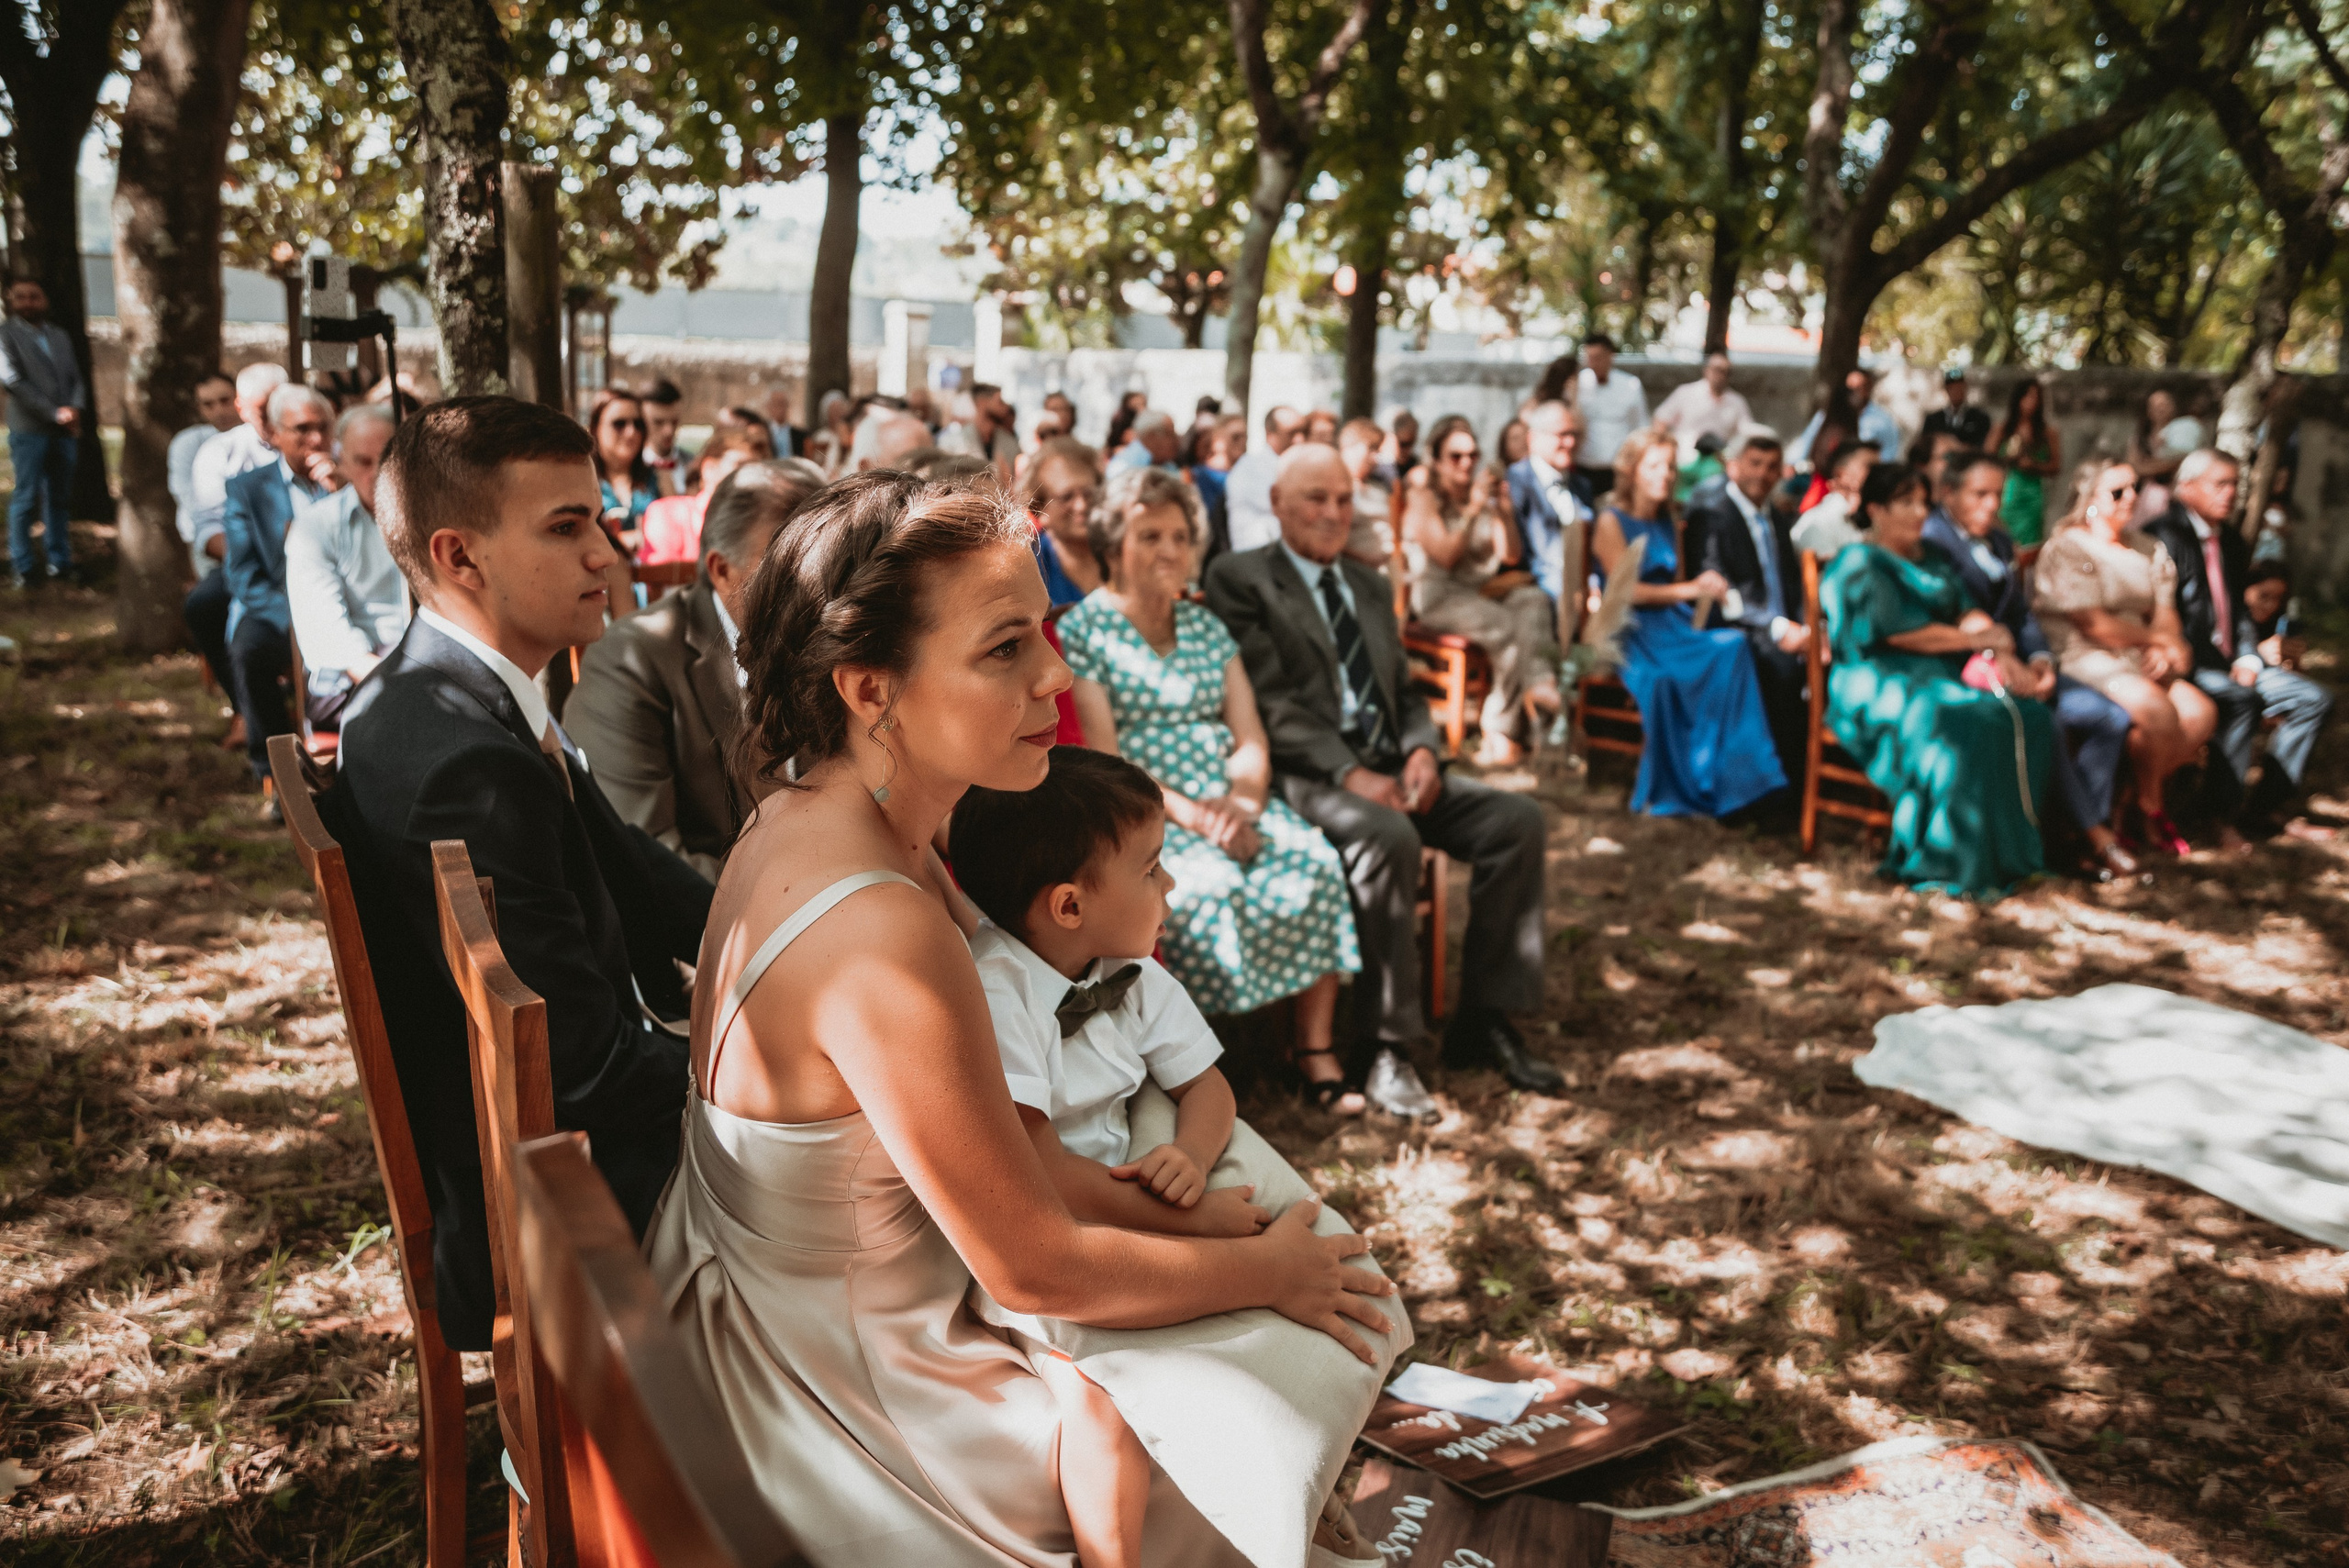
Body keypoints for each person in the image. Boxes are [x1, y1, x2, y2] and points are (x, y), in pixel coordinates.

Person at [651, 470, 1399, 1567]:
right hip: (840, 1386)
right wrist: (1269, 1271)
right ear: (869, 688)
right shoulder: (881, 926)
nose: (1056, 673)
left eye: (1044, 630)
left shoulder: (814, 811)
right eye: (1005, 648)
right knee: (1209, 1425)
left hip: (760, 1296)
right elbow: (1034, 1268)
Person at [951, 744, 1405, 1568]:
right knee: (1098, 1398)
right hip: (1048, 1237)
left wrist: (1191, 1158)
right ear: (1069, 904)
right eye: (1153, 868)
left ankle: (1294, 1496)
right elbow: (1039, 1172)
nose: (1172, 885)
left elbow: (1208, 1088)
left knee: (1278, 1325)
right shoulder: (997, 992)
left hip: (1141, 1203)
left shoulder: (1131, 973)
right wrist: (1190, 1221)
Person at [328, 395, 713, 1355]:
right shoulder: (466, 764)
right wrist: (780, 1070)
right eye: (566, 527)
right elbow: (581, 1069)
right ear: (460, 556)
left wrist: (795, 935)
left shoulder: (457, 697)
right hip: (557, 1195)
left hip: (568, 1144)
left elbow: (638, 876)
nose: (605, 555)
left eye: (600, 522)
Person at [1206, 443, 1560, 1111]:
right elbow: (1268, 701)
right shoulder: (1240, 577)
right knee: (1389, 836)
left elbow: (1402, 691)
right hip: (1306, 775)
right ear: (1277, 503)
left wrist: (1424, 751)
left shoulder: (1367, 583)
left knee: (1517, 821)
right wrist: (1349, 772)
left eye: (1344, 499)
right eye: (1316, 498)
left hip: (1392, 766)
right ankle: (1385, 1047)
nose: (1333, 513)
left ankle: (1484, 1021)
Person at [1059, 466, 1364, 1110]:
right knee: (1203, 894)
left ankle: (1312, 1048)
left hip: (1230, 802)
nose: (1169, 550)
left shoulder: (1206, 626)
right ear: (1114, 545)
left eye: (1180, 536)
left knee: (1315, 862)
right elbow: (1108, 759)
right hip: (1144, 811)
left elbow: (1249, 733)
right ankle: (1197, 1072)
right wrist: (1200, 819)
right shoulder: (1086, 631)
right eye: (1150, 535)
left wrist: (1244, 802)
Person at [567, 460, 824, 879]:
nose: (820, 584)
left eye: (832, 561)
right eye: (791, 566)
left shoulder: (833, 643)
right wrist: (811, 898)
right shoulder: (631, 660)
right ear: (722, 570)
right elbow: (647, 863)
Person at [1820, 462, 2055, 899]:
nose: (1919, 513)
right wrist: (1978, 639)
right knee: (1959, 722)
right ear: (1875, 509)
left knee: (2027, 716)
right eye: (1905, 503)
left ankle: (2011, 856)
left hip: (1940, 671)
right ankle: (1948, 861)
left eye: (1922, 503)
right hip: (1878, 676)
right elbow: (1898, 632)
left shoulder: (1932, 556)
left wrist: (1999, 649)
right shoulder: (1859, 561)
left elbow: (1965, 609)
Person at [1921, 454, 2138, 880]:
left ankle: (2071, 836)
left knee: (2110, 718)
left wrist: (2041, 660)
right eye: (1979, 494)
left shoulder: (2000, 541)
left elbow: (2020, 614)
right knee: (2044, 723)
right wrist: (1997, 658)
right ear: (1949, 493)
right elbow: (1944, 616)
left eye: (1997, 495)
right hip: (1964, 667)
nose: (1991, 505)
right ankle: (2095, 838)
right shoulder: (1931, 542)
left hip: (2019, 661)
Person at [1590, 427, 1787, 820]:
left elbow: (1680, 584)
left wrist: (1704, 586)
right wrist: (1689, 589)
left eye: (1669, 467)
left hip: (1673, 622)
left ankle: (1746, 781)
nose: (1665, 475)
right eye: (1654, 466)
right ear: (1632, 471)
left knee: (1732, 646)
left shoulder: (1669, 520)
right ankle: (1682, 787)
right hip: (1632, 628)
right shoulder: (1611, 521)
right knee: (1663, 681)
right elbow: (1625, 592)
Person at [2143, 450, 2334, 843]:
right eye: (2220, 484)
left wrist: (2248, 655)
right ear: (2187, 488)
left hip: (2234, 661)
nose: (2230, 493)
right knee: (2240, 699)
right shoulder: (2162, 536)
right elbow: (2165, 618)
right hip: (2190, 664)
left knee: (2313, 699)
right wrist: (2220, 664)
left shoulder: (2229, 540)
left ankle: (2263, 809)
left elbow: (2238, 610)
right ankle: (2218, 817)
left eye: (2234, 484)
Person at [2032, 460, 2217, 855]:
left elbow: (2164, 611)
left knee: (2200, 711)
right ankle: (2150, 809)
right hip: (2083, 653)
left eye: (2135, 488)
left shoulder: (2147, 547)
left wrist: (2164, 647)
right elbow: (2092, 623)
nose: (2130, 498)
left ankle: (2132, 799)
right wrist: (2157, 641)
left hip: (2138, 653)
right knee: (2158, 712)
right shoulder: (2068, 548)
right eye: (2117, 491)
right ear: (2090, 498)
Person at [1400, 415, 1560, 767]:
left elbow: (1511, 555)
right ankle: (1502, 729)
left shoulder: (1483, 495)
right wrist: (1473, 510)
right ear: (1437, 461)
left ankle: (1540, 687)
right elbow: (1445, 555)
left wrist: (1503, 512)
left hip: (1481, 592)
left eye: (1472, 455)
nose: (1466, 463)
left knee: (1533, 600)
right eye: (1456, 456)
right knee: (1507, 629)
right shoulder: (1423, 498)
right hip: (1439, 597)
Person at [222, 384, 345, 791]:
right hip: (281, 608)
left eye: (323, 427)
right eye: (302, 429)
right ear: (274, 434)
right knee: (248, 650)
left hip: (347, 605)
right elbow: (243, 575)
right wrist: (297, 619)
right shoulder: (248, 489)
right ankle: (274, 771)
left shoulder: (351, 480)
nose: (316, 439)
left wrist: (342, 494)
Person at [1685, 428, 1811, 785]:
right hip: (1738, 625)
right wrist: (1778, 628)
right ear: (1734, 466)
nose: (1763, 474)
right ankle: (1772, 783)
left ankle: (1807, 780)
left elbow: (1793, 586)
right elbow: (1720, 589)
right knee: (1782, 668)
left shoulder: (1778, 519)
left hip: (1786, 625)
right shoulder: (1711, 517)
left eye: (1772, 466)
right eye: (1755, 463)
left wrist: (1806, 629)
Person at [284, 404, 406, 730]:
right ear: (342, 462)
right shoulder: (316, 527)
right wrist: (402, 686)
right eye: (363, 462)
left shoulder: (433, 517)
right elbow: (328, 634)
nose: (377, 473)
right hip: (352, 678)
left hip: (427, 662)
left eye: (387, 460)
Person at [184, 363, 291, 692]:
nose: (271, 418)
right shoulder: (219, 452)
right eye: (262, 409)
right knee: (203, 605)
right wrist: (252, 556)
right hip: (245, 561)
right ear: (242, 408)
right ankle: (242, 701)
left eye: (277, 405)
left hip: (311, 559)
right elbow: (208, 530)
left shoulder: (311, 439)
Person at [0, 276, 85, 589]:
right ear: (11, 301)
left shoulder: (59, 335)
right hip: (29, 429)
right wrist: (54, 413)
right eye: (20, 297)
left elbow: (75, 376)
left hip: (64, 431)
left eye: (34, 296)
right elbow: (12, 381)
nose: (28, 302)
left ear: (44, 300)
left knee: (59, 499)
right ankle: (22, 566)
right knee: (25, 498)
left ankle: (58, 562)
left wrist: (75, 407)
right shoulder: (5, 335)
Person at [1508, 400, 1595, 641]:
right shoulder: (1515, 483)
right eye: (1562, 434)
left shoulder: (1582, 487)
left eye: (1574, 434)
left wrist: (1594, 585)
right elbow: (1523, 558)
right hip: (1539, 596)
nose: (1570, 442)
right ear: (1533, 438)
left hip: (1585, 593)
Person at [636, 417, 770, 566]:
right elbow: (660, 574)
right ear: (709, 468)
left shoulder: (761, 525)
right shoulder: (668, 514)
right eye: (740, 466)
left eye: (756, 470)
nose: (750, 477)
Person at [168, 370, 239, 576]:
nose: (219, 411)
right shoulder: (188, 443)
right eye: (208, 404)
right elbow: (188, 497)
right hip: (208, 541)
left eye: (225, 400)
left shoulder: (260, 439)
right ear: (200, 409)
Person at [1022, 435, 1106, 607]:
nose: (1081, 506)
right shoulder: (1028, 567)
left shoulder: (1123, 552)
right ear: (1039, 508)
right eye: (1067, 497)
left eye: (1089, 494)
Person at [1989, 377, 2060, 549]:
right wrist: (2008, 458)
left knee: (2030, 545)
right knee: (2003, 538)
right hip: (2008, 492)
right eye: (2027, 396)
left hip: (2032, 494)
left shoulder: (2047, 432)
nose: (2031, 402)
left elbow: (2056, 466)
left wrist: (2033, 465)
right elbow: (1987, 459)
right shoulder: (2002, 429)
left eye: (2036, 397)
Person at [1573, 334, 1648, 497]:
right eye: (1589, 358)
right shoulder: (1577, 383)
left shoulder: (1630, 385)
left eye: (1598, 358)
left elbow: (1640, 427)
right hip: (1582, 467)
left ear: (1610, 356)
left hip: (1617, 469)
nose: (1593, 363)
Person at [1226, 405, 1307, 552]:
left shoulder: (1301, 467)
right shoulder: (1249, 468)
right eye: (1292, 433)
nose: (1299, 439)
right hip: (1256, 558)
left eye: (1303, 431)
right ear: (1270, 434)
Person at [587, 387, 655, 556]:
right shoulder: (581, 480)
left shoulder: (659, 477)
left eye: (638, 424)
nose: (631, 432)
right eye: (619, 424)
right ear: (595, 428)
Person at [1653, 350, 1753, 462]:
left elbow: (1746, 430)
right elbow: (1661, 419)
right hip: (1685, 458)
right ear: (1706, 370)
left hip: (1719, 460)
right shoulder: (1685, 392)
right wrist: (1661, 451)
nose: (1720, 375)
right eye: (1716, 370)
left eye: (1725, 372)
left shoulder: (1737, 401)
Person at [1792, 367, 1900, 468]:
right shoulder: (1828, 415)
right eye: (1850, 388)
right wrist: (1792, 462)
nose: (1853, 393)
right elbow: (1808, 439)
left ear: (1868, 389)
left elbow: (1890, 450)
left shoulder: (1882, 420)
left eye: (1858, 388)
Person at [1790, 439, 1878, 561]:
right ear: (1841, 474)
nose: (1878, 474)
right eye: (1870, 467)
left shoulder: (1870, 516)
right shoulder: (1819, 522)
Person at [1337, 417, 1395, 573]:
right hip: (1355, 572)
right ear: (1350, 447)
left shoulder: (1380, 489)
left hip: (1389, 570)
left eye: (1378, 451)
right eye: (1371, 449)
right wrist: (1365, 560)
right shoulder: (1334, 490)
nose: (1375, 458)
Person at [1922, 367, 1991, 449]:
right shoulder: (1933, 420)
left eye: (1959, 387)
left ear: (1965, 388)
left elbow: (1984, 445)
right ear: (1947, 390)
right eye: (1952, 388)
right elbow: (1925, 445)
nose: (1956, 391)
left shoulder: (1979, 418)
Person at [641, 378, 686, 496]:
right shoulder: (630, 468)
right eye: (658, 422)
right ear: (642, 421)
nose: (669, 431)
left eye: (674, 422)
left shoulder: (693, 465)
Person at [1108, 408, 1181, 473]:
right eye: (1170, 434)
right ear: (1151, 437)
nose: (1177, 440)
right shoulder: (1123, 466)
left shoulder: (1169, 466)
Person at [804, 388, 855, 477]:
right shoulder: (820, 436)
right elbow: (815, 462)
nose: (837, 413)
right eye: (833, 410)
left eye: (840, 409)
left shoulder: (850, 435)